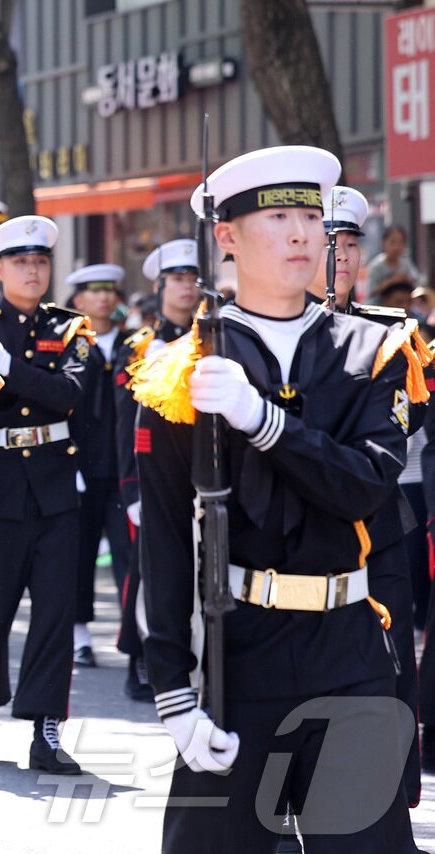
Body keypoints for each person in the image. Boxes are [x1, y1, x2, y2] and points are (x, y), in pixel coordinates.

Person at [132, 145, 417, 852]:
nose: (301, 233)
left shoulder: (372, 352)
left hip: (348, 646)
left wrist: (265, 423)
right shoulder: (181, 370)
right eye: (279, 216)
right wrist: (172, 691)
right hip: (238, 649)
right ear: (225, 237)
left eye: (311, 216)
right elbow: (165, 537)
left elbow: (367, 483)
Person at [306, 186, 426, 815]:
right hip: (299, 526)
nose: (340, 258)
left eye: (350, 245)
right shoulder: (272, 333)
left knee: (392, 663)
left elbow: (407, 417)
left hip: (379, 519)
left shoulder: (389, 333)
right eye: (330, 245)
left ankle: (396, 798)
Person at [0, 214, 89, 775]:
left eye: (40, 261)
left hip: (55, 490)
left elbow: (68, 394)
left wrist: (7, 368)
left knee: (54, 615)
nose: (33, 270)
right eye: (20, 261)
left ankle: (46, 730)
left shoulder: (70, 330)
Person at [115, 238, 199, 703]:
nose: (186, 288)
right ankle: (140, 656)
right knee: (148, 569)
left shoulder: (213, 340)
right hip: (149, 474)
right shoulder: (139, 347)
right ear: (159, 285)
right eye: (177, 279)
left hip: (199, 474)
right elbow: (124, 424)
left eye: (192, 279)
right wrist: (131, 490)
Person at [63, 263, 129, 669]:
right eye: (94, 291)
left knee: (130, 555)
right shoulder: (73, 345)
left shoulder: (132, 343)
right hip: (82, 466)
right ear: (78, 300)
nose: (104, 298)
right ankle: (79, 635)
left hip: (124, 470)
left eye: (109, 291)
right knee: (78, 554)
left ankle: (133, 633)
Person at [366, 225, 425, 300]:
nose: (397, 247)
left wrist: (407, 280)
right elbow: (371, 292)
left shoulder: (406, 264)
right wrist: (391, 281)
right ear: (383, 242)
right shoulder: (376, 266)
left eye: (401, 242)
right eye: (392, 242)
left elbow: (418, 283)